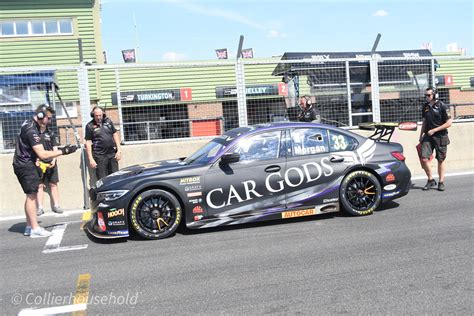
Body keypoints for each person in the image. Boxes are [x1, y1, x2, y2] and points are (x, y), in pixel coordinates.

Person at [12, 105, 77, 238]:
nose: (50, 121)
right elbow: (42, 154)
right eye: (49, 118)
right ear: (41, 116)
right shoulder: (32, 130)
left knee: (30, 195)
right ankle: (35, 229)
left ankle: (30, 226)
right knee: (31, 196)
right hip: (25, 165)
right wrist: (63, 151)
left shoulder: (29, 124)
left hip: (23, 163)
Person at [419, 87, 454, 191]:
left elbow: (449, 123)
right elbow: (424, 122)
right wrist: (421, 135)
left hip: (440, 137)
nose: (426, 97)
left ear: (435, 95)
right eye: (425, 95)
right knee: (424, 159)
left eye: (428, 95)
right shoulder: (425, 106)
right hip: (428, 136)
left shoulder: (442, 106)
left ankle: (441, 181)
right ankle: (430, 180)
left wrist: (435, 130)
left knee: (440, 160)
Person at [85, 106, 122, 182]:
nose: (98, 117)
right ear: (93, 115)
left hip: (112, 154)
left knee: (116, 178)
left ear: (103, 114)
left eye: (100, 115)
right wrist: (91, 159)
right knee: (103, 180)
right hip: (100, 156)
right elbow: (88, 142)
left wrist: (119, 150)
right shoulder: (89, 126)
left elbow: (115, 134)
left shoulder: (108, 122)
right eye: (96, 116)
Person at [36, 121, 62, 216]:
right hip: (39, 163)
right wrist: (36, 160)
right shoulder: (35, 134)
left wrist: (54, 160)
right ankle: (40, 208)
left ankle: (56, 205)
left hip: (51, 162)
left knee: (53, 184)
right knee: (39, 185)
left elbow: (55, 148)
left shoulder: (51, 133)